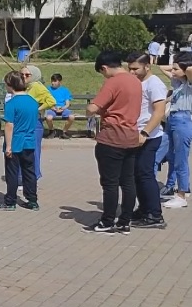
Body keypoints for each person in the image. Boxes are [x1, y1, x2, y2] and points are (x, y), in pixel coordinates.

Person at [83, 51, 142, 235]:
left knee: (110, 183)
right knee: (128, 182)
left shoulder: (113, 82)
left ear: (105, 68)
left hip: (112, 137)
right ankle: (125, 221)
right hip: (131, 136)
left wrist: (91, 110)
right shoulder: (135, 81)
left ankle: (107, 220)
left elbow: (93, 108)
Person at [126, 53, 167, 227]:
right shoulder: (138, 82)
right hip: (136, 135)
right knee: (136, 174)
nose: (132, 72)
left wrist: (145, 133)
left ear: (147, 66)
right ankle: (144, 209)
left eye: (135, 68)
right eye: (130, 68)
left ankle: (155, 215)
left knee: (145, 174)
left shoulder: (154, 84)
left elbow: (159, 111)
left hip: (149, 137)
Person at [0, 71, 39, 211]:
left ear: (11, 85)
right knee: (29, 172)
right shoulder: (33, 102)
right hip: (30, 140)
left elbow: (9, 125)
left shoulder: (11, 103)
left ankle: (10, 201)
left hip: (15, 141)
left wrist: (8, 146)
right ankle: (32, 200)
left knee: (12, 172)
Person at [160, 52, 192, 209]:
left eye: (175, 69)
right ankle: (178, 188)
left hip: (183, 120)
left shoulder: (189, 83)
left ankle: (182, 194)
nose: (171, 71)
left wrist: (185, 65)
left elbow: (190, 70)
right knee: (172, 155)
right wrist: (176, 66)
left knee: (181, 158)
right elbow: (161, 67)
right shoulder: (178, 84)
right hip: (172, 119)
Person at [20, 65, 55, 180]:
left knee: (33, 150)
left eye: (27, 75)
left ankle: (33, 175)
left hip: (35, 122)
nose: (24, 77)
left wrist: (38, 109)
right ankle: (25, 175)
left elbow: (51, 101)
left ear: (34, 75)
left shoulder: (37, 86)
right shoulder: (27, 87)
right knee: (23, 149)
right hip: (25, 121)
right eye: (22, 75)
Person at [45, 73, 75, 139]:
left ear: (60, 82)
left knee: (71, 117)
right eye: (52, 81)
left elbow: (67, 104)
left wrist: (63, 108)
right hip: (52, 108)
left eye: (55, 81)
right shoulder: (48, 90)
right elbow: (46, 101)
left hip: (62, 108)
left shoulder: (65, 90)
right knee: (48, 118)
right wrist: (53, 108)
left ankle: (64, 132)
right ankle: (52, 131)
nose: (53, 83)